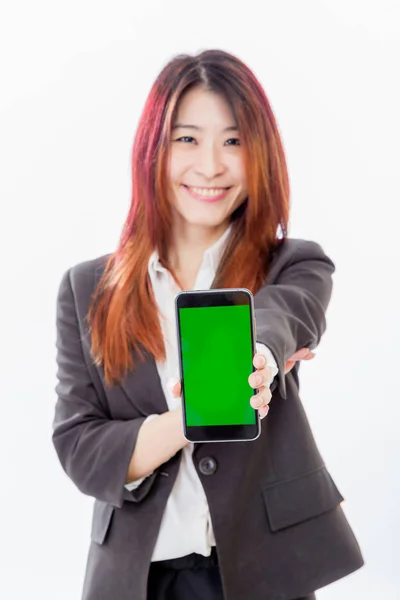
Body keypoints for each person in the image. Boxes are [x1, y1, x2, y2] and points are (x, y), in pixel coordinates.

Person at [52, 49, 364, 600]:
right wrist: (195, 413)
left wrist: (261, 356)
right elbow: (79, 444)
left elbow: (285, 314)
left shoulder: (293, 265)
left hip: (263, 578)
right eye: (188, 139)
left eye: (235, 140)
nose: (212, 165)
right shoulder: (87, 290)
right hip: (139, 579)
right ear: (154, 149)